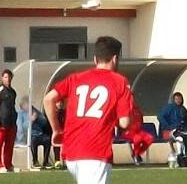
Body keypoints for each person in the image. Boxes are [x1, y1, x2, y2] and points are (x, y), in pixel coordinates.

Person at [42, 35, 133, 184]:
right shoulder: (119, 81)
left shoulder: (75, 78)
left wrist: (56, 130)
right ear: (115, 59)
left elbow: (48, 99)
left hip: (71, 152)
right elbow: (124, 123)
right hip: (95, 151)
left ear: (95, 60)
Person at [0, 69, 18, 172]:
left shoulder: (13, 92)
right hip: (1, 123)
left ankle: (8, 165)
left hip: (11, 123)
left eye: (9, 77)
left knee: (9, 145)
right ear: (2, 78)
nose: (8, 79)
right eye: (6, 77)